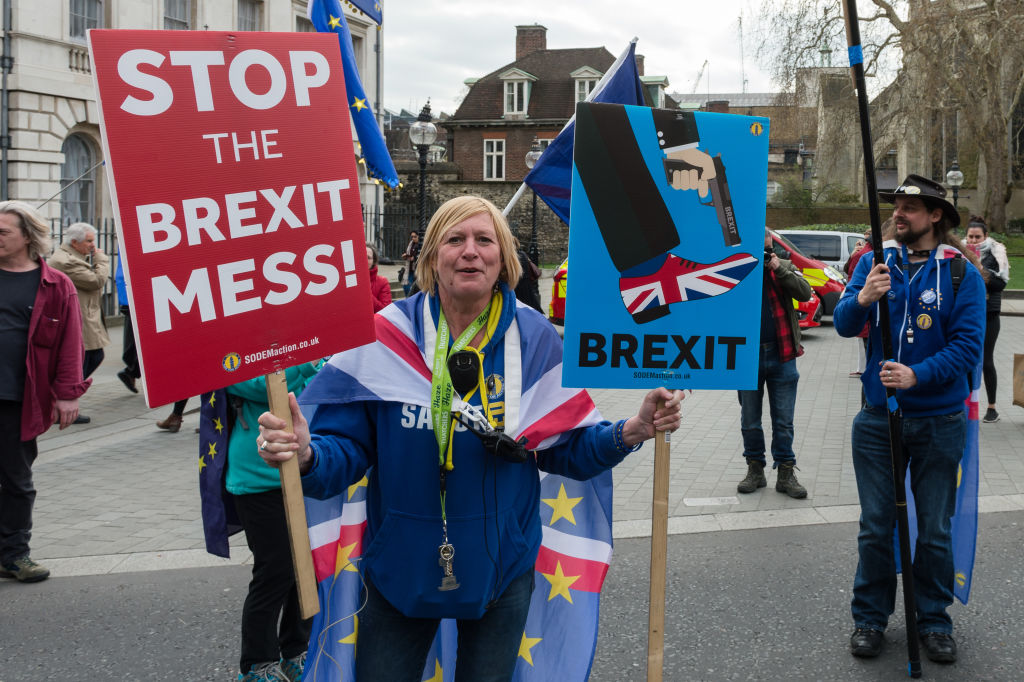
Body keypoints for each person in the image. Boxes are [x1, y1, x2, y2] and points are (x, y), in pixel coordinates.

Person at [256, 196, 684, 680]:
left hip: (502, 572)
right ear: (431, 257)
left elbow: (566, 449)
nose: (470, 252)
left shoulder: (536, 337)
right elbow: (347, 452)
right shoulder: (383, 337)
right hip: (400, 570)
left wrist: (632, 431)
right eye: (454, 239)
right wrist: (307, 454)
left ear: (504, 259)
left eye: (484, 240)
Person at [834, 174, 985, 663]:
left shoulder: (961, 273)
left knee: (935, 528)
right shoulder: (874, 264)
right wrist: (862, 299)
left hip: (939, 422)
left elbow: (968, 349)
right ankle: (870, 619)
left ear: (936, 214)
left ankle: (934, 620)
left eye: (910, 207)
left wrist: (918, 375)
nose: (899, 214)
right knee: (877, 525)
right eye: (896, 205)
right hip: (878, 420)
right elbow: (841, 324)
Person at [0, 201, 90, 583]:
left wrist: (68, 394)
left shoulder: (55, 285)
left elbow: (71, 343)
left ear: (27, 238)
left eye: (4, 232)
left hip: (17, 398)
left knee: (16, 480)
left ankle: (15, 555)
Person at [226, 363, 320, 682]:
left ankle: (296, 650)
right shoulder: (229, 355)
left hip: (303, 472)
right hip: (256, 480)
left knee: (304, 568)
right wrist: (308, 364)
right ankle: (257, 663)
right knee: (275, 569)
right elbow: (266, 388)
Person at [736, 228, 814, 499]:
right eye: (761, 250)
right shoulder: (737, 270)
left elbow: (805, 294)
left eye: (768, 250)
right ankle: (755, 469)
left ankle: (785, 472)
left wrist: (778, 268)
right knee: (749, 421)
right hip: (747, 357)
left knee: (783, 420)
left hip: (782, 355)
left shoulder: (785, 268)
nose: (765, 255)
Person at [47, 222, 109, 424]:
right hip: (78, 319)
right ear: (74, 242)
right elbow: (96, 280)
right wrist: (101, 259)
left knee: (93, 356)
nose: (93, 245)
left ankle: (64, 398)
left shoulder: (73, 257)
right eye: (89, 241)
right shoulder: (66, 261)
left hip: (85, 316)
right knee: (85, 359)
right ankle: (62, 400)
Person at [965, 217, 1009, 423]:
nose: (974, 241)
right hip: (965, 312)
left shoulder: (995, 252)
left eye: (978, 237)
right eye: (971, 236)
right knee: (964, 358)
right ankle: (963, 404)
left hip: (989, 313)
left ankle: (991, 407)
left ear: (986, 236)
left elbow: (1000, 283)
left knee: (986, 360)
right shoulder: (960, 252)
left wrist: (980, 270)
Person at [114, 253, 140, 394]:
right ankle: (130, 370)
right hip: (134, 292)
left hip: (129, 291)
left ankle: (130, 371)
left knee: (135, 339)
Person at [512, 237, 542, 313]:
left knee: (522, 305)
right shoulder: (522, 253)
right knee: (529, 303)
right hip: (526, 283)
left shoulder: (515, 256)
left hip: (520, 285)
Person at [365, 243, 392, 312]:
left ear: (373, 261)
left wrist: (366, 292)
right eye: (362, 256)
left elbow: (386, 311)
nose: (364, 260)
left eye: (368, 258)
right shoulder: (348, 281)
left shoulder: (382, 282)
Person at [401, 229, 420, 296]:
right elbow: (410, 255)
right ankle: (408, 299)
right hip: (409, 269)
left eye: (415, 237)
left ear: (418, 236)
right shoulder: (411, 244)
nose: (413, 238)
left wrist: (410, 257)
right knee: (406, 286)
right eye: (412, 237)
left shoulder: (420, 245)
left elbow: (416, 257)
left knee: (413, 288)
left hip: (417, 269)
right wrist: (406, 256)